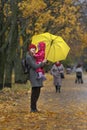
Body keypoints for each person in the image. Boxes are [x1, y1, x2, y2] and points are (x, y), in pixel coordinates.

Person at [26, 44, 47, 112]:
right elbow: (34, 66)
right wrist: (42, 63)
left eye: (35, 49)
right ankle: (32, 108)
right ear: (29, 49)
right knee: (35, 91)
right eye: (32, 49)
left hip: (38, 75)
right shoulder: (29, 57)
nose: (34, 50)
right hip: (33, 75)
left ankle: (34, 107)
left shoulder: (35, 56)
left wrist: (44, 62)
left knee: (38, 91)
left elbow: (39, 65)